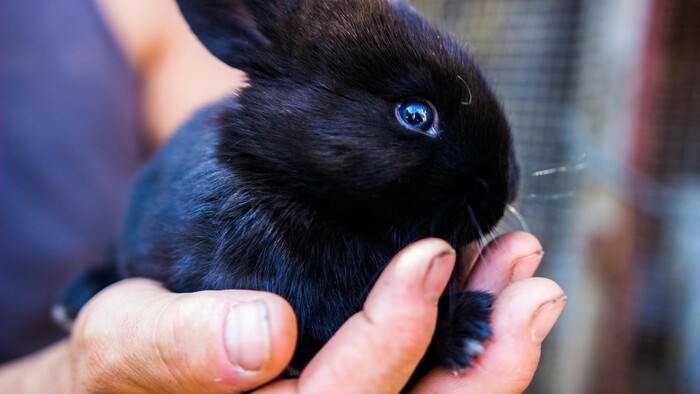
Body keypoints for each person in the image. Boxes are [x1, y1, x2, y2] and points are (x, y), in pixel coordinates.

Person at [0, 0, 566, 392]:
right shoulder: (235, 214)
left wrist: (442, 327)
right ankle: (102, 278)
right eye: (415, 116)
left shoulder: (129, 21)